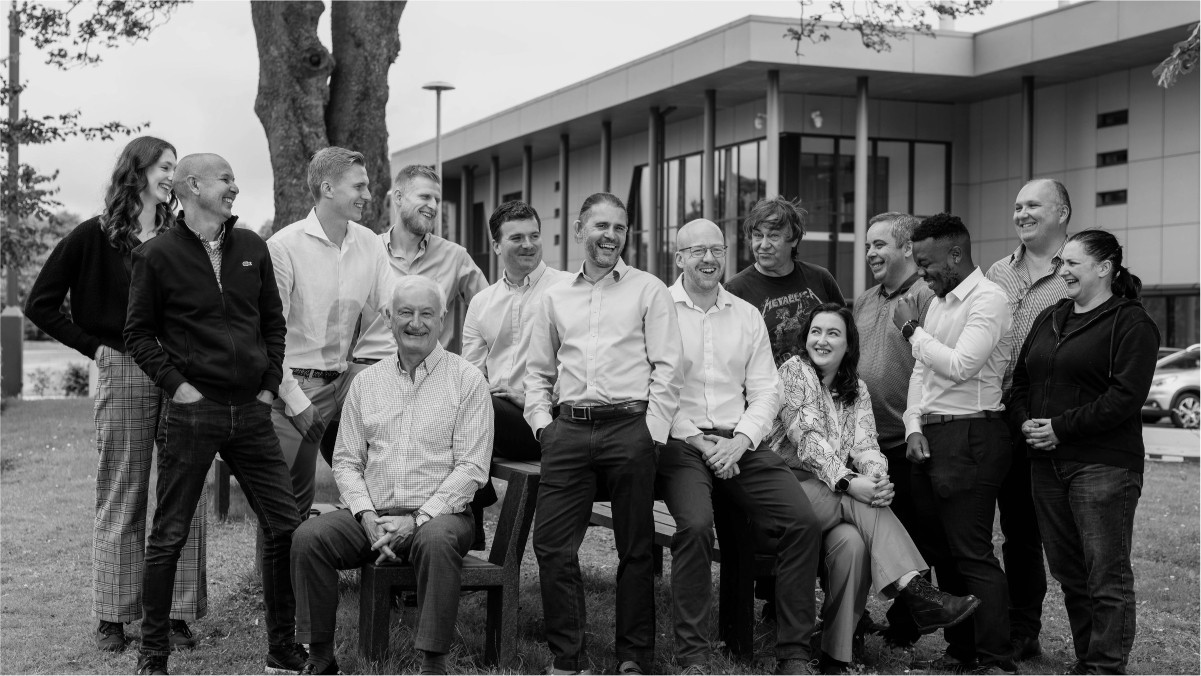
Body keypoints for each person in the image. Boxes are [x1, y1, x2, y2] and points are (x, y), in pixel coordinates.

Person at [24, 136, 207, 653]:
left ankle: (175, 613)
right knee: (122, 494)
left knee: (183, 494)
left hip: (181, 373)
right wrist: (95, 348)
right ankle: (114, 615)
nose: (172, 175)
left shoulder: (185, 236)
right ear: (139, 171)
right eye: (165, 166)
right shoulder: (91, 237)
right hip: (124, 369)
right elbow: (41, 303)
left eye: (176, 167)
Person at [124, 153, 303, 676]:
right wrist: (178, 387)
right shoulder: (156, 255)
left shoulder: (252, 247)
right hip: (192, 412)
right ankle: (153, 654)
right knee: (170, 533)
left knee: (285, 526)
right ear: (193, 186)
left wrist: (269, 387)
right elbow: (137, 333)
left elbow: (273, 321)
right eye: (226, 178)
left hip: (251, 410)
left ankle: (282, 648)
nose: (234, 187)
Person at [290, 276, 493, 676]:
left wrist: (416, 520)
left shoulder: (467, 380)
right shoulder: (366, 383)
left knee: (434, 541)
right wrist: (365, 516)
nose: (415, 323)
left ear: (442, 319)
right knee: (309, 538)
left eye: (426, 314)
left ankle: (433, 664)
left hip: (442, 516)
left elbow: (472, 467)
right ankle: (320, 658)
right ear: (388, 318)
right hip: (373, 515)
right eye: (405, 313)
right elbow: (346, 461)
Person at [767, 303, 980, 674]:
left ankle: (834, 652)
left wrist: (877, 479)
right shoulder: (794, 372)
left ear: (848, 345)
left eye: (833, 333)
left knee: (851, 543)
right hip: (784, 490)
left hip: (827, 498)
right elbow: (809, 441)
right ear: (806, 339)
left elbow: (866, 445)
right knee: (860, 504)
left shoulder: (857, 389)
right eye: (816, 331)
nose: (822, 340)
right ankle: (918, 591)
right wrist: (852, 483)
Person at [524, 193, 681, 675]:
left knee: (636, 548)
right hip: (569, 429)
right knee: (551, 545)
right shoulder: (554, 296)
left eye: (619, 227)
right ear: (579, 231)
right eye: (601, 226)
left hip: (630, 429)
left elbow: (668, 369)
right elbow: (537, 373)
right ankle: (568, 659)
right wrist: (543, 427)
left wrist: (650, 435)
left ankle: (633, 657)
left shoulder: (649, 290)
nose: (610, 235)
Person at [657, 219, 822, 675]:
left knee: (802, 522)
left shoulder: (746, 314)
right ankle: (693, 655)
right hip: (682, 441)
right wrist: (700, 440)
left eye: (716, 249)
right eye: (697, 251)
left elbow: (768, 389)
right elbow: (656, 388)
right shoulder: (659, 310)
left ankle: (793, 652)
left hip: (740, 441)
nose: (708, 259)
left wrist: (742, 440)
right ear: (679, 258)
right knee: (694, 526)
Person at [1009, 230, 1159, 676]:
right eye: (1061, 263)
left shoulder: (1131, 322)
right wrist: (1025, 422)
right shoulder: (1050, 317)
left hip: (1103, 464)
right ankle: (1087, 659)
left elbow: (1125, 397)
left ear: (1104, 267)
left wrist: (1060, 428)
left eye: (1073, 263)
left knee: (1105, 574)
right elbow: (1021, 382)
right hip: (1045, 462)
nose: (1063, 271)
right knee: (1069, 571)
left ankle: (1106, 666)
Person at [893, 213, 1017, 675]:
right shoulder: (939, 303)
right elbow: (922, 372)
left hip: (974, 433)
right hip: (934, 434)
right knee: (940, 549)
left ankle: (996, 658)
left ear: (956, 254)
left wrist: (911, 331)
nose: (921, 272)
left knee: (972, 551)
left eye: (926, 263)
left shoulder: (989, 300)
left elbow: (961, 365)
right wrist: (912, 426)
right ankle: (961, 649)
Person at [267, 146, 395, 527]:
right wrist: (294, 401)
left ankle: (398, 551)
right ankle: (280, 585)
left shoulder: (370, 243)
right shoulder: (283, 247)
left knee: (398, 457)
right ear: (327, 188)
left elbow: (393, 309)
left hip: (346, 378)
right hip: (297, 383)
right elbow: (268, 337)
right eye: (359, 187)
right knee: (288, 501)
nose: (368, 196)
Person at [986, 178, 1074, 662]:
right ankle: (988, 623)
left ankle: (1024, 629)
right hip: (990, 415)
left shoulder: (1079, 272)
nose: (1020, 213)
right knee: (982, 530)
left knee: (1026, 533)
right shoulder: (999, 270)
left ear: (1061, 213)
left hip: (1044, 423)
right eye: (1017, 205)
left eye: (1032, 205)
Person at [461, 200, 572, 539]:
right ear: (496, 245)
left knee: (473, 407)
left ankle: (471, 521)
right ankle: (463, 522)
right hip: (495, 421)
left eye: (534, 235)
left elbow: (585, 367)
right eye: (517, 237)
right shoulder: (482, 302)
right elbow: (469, 372)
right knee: (460, 398)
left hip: (551, 422)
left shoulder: (569, 290)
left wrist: (530, 398)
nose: (528, 244)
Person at [851, 212, 936, 648]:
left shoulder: (927, 295)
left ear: (907, 248)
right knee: (862, 535)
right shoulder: (864, 301)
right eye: (868, 245)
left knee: (914, 534)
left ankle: (905, 628)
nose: (870, 253)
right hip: (864, 443)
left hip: (908, 440)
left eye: (880, 244)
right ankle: (859, 618)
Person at [352, 164, 486, 362]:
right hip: (369, 368)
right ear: (398, 197)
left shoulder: (456, 257)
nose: (433, 206)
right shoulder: (366, 251)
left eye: (437, 200)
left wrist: (471, 367)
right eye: (425, 197)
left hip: (430, 374)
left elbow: (489, 313)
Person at [724, 196, 845, 366]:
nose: (763, 245)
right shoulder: (734, 290)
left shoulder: (820, 278)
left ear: (794, 239)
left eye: (773, 236)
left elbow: (846, 335)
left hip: (824, 387)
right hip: (765, 391)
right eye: (758, 236)